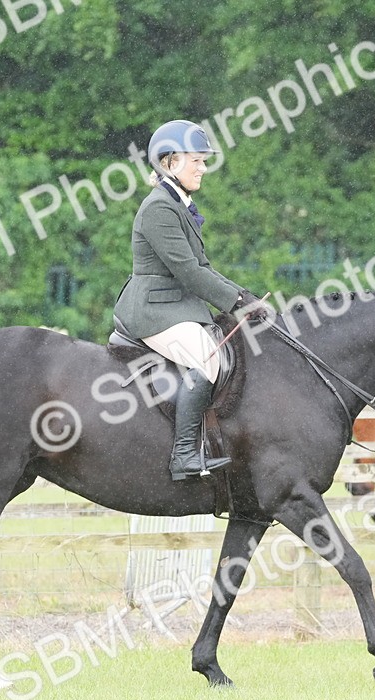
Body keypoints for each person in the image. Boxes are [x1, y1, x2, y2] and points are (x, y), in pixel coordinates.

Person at [113, 119, 267, 481]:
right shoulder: (158, 209)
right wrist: (236, 304)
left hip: (175, 306)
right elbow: (188, 272)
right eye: (196, 160)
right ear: (170, 162)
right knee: (207, 358)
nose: (203, 168)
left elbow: (203, 267)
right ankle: (183, 454)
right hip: (153, 309)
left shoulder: (178, 205)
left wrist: (244, 296)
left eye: (203, 161)